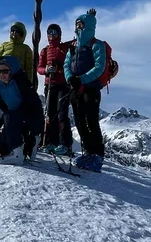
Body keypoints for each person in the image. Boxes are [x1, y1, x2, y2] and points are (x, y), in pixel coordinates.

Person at [63, 9, 107, 171]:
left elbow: (99, 67)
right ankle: (89, 152)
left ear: (88, 26)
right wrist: (70, 78)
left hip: (91, 89)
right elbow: (66, 64)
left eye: (81, 24)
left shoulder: (97, 45)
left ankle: (97, 156)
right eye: (76, 24)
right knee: (80, 122)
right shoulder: (73, 46)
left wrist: (80, 79)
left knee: (91, 121)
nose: (78, 27)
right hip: (76, 88)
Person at [0, 55, 44, 164]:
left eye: (5, 71)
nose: (2, 74)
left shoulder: (21, 81)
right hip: (14, 118)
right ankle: (28, 144)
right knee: (3, 146)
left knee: (9, 117)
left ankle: (17, 154)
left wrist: (11, 116)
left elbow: (31, 104)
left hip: (31, 117)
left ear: (12, 70)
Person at [37, 23, 75, 156]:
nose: (52, 35)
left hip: (63, 85)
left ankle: (65, 144)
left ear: (59, 34)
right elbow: (39, 67)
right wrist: (46, 70)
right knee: (51, 114)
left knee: (62, 114)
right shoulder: (45, 50)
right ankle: (52, 142)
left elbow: (76, 42)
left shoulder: (65, 47)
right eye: (49, 33)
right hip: (50, 85)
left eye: (54, 32)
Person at [0, 22, 36, 90]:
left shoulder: (26, 48)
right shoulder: (4, 45)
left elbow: (29, 68)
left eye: (17, 31)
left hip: (17, 78)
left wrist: (28, 82)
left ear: (22, 33)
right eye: (12, 31)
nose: (14, 33)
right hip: (2, 76)